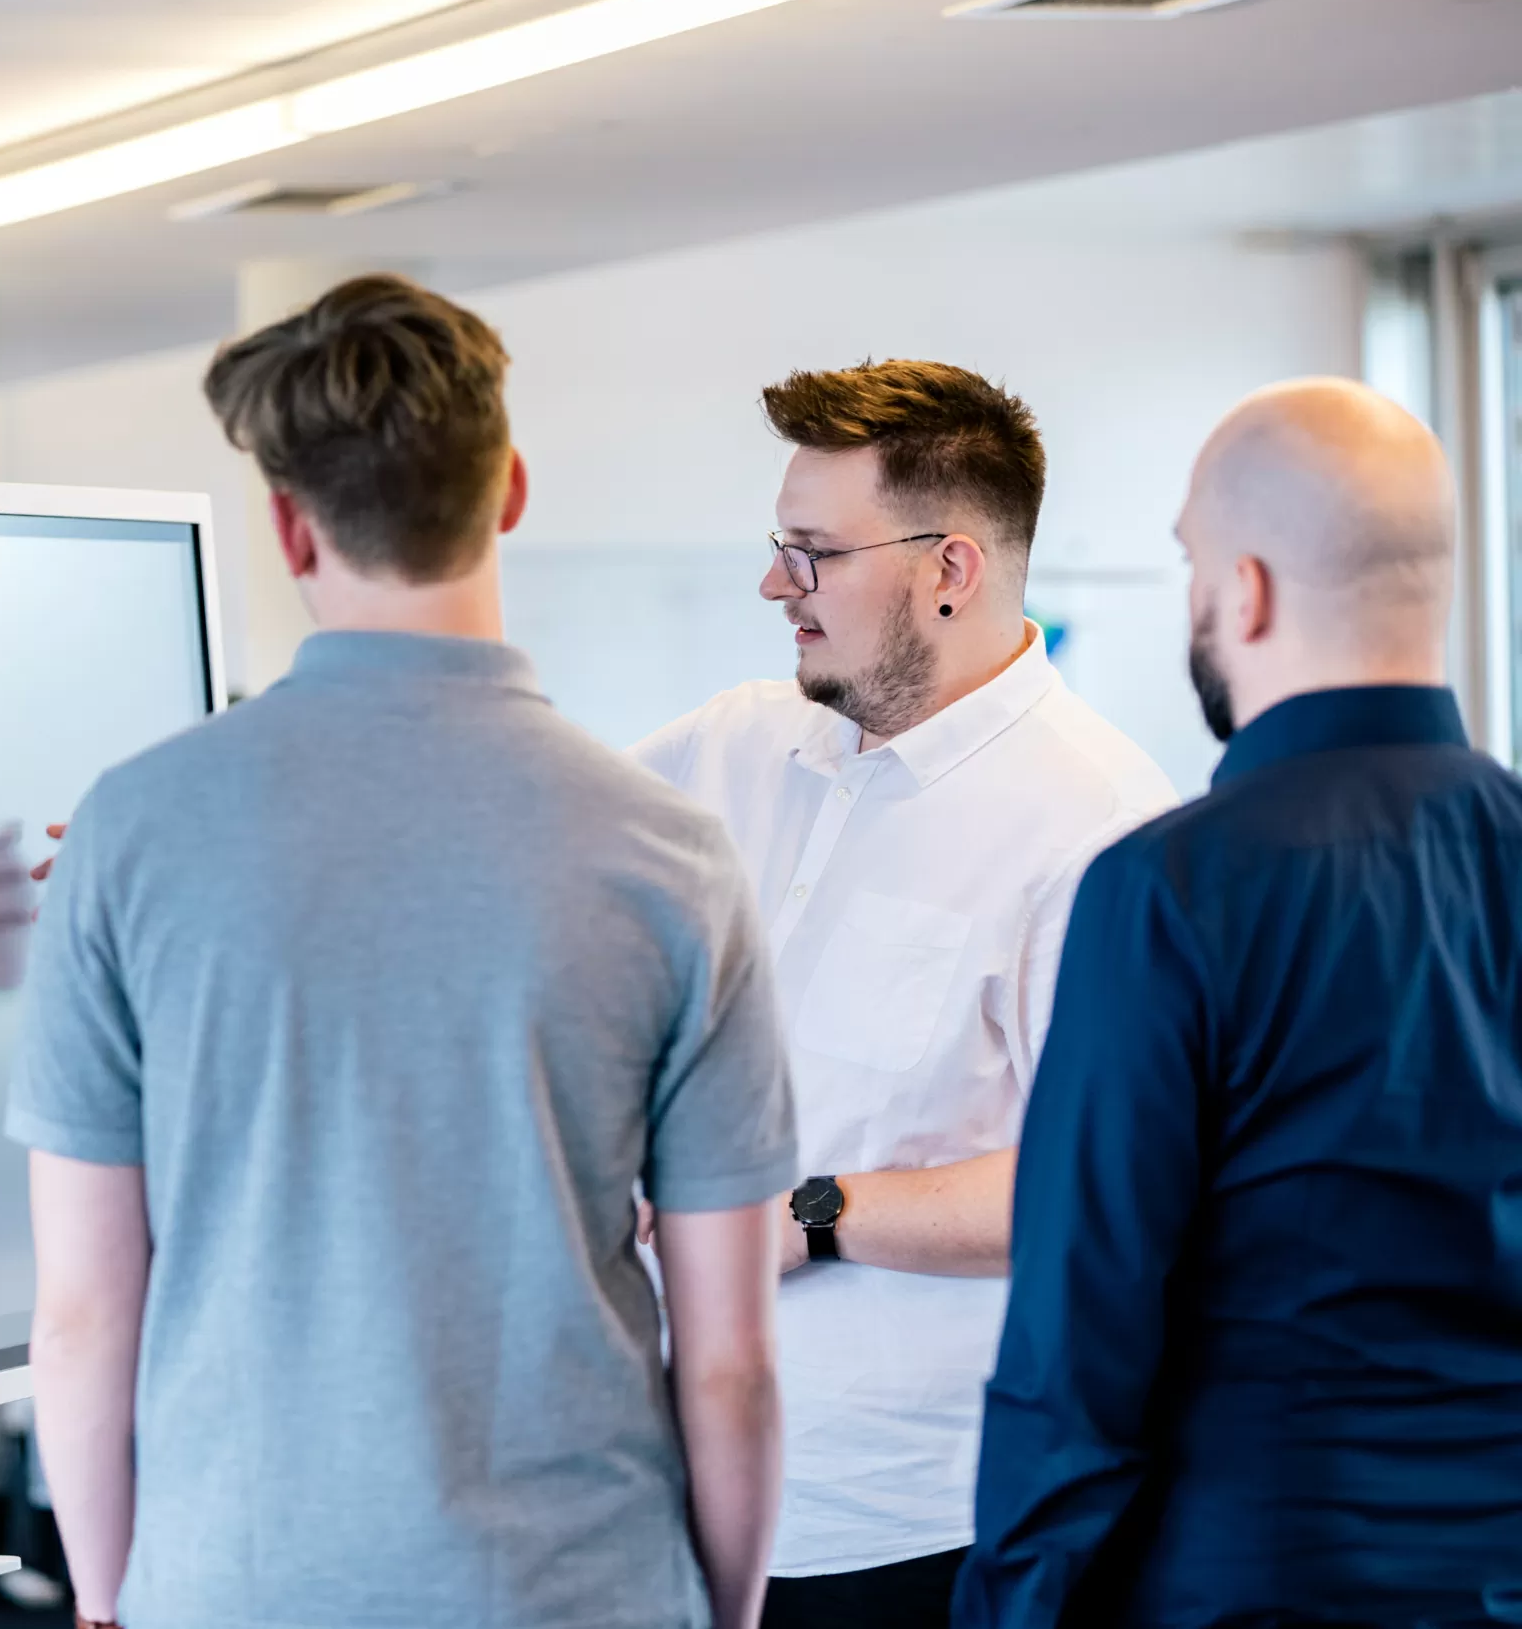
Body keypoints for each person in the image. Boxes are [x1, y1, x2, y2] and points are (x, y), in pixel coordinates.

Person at [8, 275, 798, 1629]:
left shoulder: (128, 835)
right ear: (511, 491)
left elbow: (84, 1312)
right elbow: (728, 1358)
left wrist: (106, 1596)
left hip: (239, 1587)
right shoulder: (670, 855)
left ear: (286, 524)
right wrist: (715, 1611)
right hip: (580, 1587)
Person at [958, 378, 1522, 1627]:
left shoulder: (1169, 888)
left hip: (1258, 1585)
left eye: (1193, 565)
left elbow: (1080, 1339)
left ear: (1246, 589)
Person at [631, 361, 1179, 1627]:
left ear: (949, 568)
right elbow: (500, 828)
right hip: (688, 1496)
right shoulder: (741, 743)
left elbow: (1104, 1181)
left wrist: (803, 1214)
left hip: (917, 1533)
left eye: (813, 552)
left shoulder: (1102, 829)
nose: (777, 584)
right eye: (781, 546)